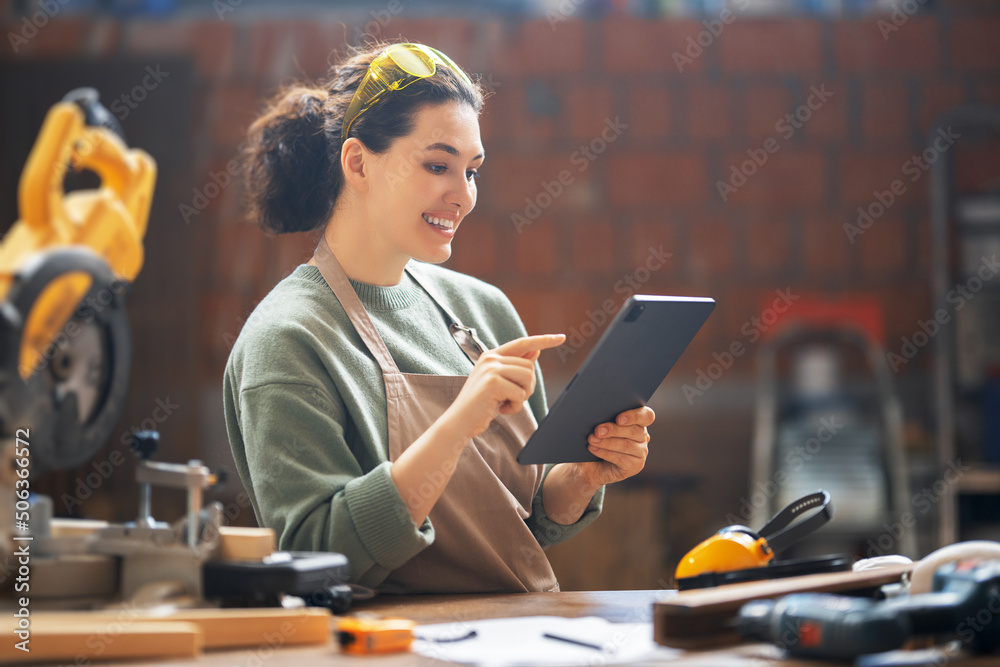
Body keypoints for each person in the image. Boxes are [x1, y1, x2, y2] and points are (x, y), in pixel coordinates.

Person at [223, 41, 655, 594]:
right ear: (357, 163)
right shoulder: (287, 339)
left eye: (472, 171)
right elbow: (316, 553)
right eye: (437, 166)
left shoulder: (484, 310)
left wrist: (583, 475)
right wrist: (456, 425)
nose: (464, 196)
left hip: (515, 637)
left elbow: (528, 522)